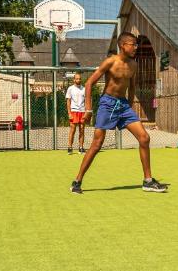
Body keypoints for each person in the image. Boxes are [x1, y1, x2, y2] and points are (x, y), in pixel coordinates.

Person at [70, 32, 168, 194]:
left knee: (144, 138)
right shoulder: (110, 62)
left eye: (136, 44)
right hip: (107, 104)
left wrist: (129, 107)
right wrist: (88, 109)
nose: (136, 47)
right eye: (133, 44)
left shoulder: (134, 65)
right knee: (97, 144)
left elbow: (132, 87)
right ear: (123, 45)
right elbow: (89, 83)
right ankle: (77, 181)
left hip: (123, 105)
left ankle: (148, 181)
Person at [65, 71, 90, 154]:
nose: (78, 80)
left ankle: (81, 148)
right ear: (74, 80)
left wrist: (87, 112)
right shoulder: (70, 89)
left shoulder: (84, 89)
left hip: (82, 112)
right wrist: (69, 113)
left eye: (79, 79)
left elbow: (87, 101)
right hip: (73, 111)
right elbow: (68, 101)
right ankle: (70, 147)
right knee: (72, 130)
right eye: (77, 79)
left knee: (82, 130)